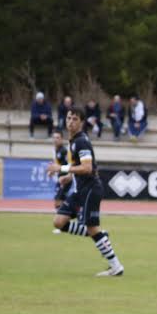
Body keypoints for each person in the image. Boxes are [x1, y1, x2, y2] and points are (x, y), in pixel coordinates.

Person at [45, 108, 124, 276]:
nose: (70, 121)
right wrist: (69, 177)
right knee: (59, 222)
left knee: (92, 227)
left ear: (81, 122)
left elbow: (87, 168)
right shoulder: (72, 141)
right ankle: (99, 236)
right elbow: (82, 166)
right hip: (80, 189)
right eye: (68, 118)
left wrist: (62, 168)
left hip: (90, 189)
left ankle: (116, 267)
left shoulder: (81, 141)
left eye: (74, 119)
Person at [50, 129, 71, 215]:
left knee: (58, 199)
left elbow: (70, 165)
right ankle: (64, 217)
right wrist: (52, 171)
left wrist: (68, 175)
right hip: (60, 178)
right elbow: (57, 164)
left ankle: (61, 219)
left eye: (58, 138)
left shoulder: (64, 151)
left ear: (62, 139)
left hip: (65, 178)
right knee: (61, 199)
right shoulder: (56, 150)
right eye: (54, 137)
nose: (55, 139)